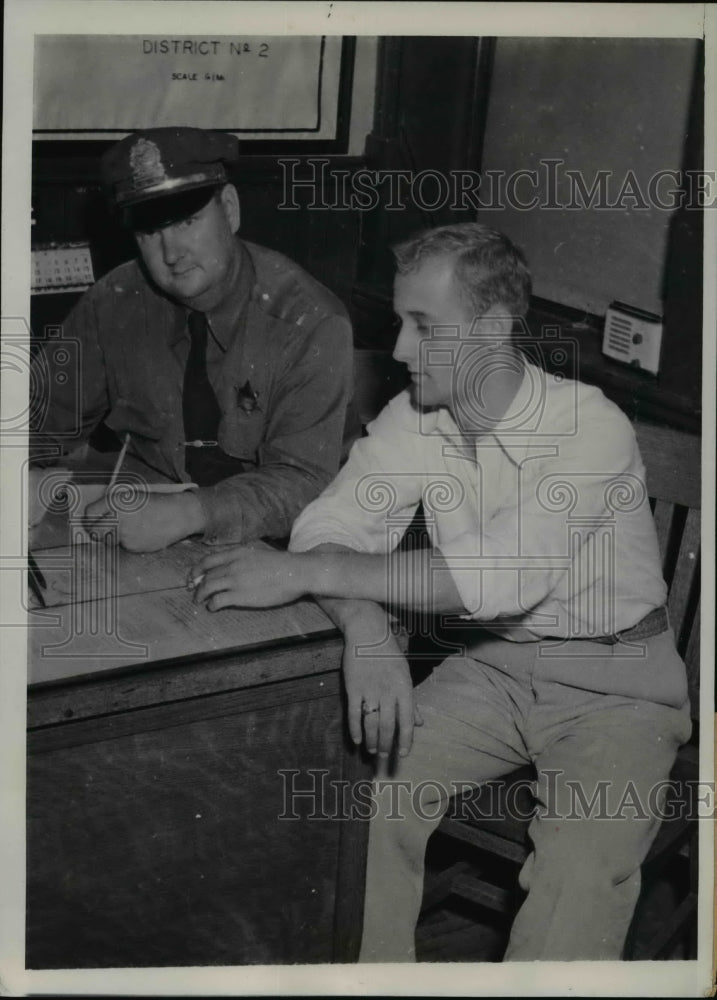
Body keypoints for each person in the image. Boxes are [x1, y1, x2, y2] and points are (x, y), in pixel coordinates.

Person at [187, 223, 691, 960]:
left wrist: (311, 576)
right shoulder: (417, 417)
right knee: (358, 804)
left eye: (423, 326)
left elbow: (498, 577)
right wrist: (366, 634)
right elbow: (328, 528)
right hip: (491, 666)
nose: (397, 350)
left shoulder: (589, 427)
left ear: (491, 328)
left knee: (578, 876)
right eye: (398, 322)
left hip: (617, 688)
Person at [30, 126, 355, 552]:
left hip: (280, 544)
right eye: (150, 232)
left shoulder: (309, 321)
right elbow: (37, 417)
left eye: (187, 221)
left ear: (231, 210)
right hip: (145, 524)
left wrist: (189, 514)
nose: (171, 252)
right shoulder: (115, 300)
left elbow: (304, 481)